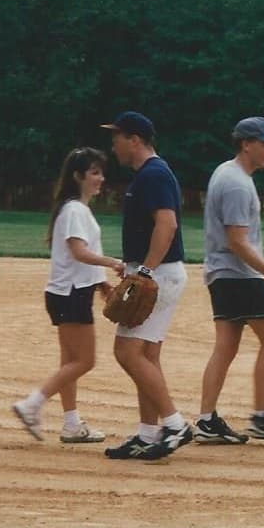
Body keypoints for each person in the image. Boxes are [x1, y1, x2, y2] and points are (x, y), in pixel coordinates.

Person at [194, 117, 264, 445]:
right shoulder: (238, 183)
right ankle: (260, 416)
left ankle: (207, 419)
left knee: (225, 346)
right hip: (239, 275)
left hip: (222, 274)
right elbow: (238, 241)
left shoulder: (225, 172)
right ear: (246, 144)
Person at [11, 147, 122, 443]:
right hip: (71, 295)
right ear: (78, 176)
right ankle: (32, 404)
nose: (101, 178)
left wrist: (101, 284)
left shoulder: (76, 208)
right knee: (85, 361)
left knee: (70, 361)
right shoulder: (75, 209)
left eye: (101, 171)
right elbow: (79, 251)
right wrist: (113, 263)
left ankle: (71, 424)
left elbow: (79, 255)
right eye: (94, 172)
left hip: (67, 293)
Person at [100, 112, 193, 460]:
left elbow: (166, 225)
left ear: (135, 139)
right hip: (159, 270)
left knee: (126, 352)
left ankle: (175, 424)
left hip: (160, 273)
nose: (114, 145)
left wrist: (146, 272)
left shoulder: (153, 174)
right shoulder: (151, 174)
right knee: (146, 355)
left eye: (117, 137)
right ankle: (147, 433)